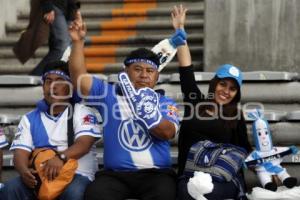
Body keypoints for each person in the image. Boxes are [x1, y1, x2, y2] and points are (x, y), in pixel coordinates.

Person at [68, 11, 180, 200]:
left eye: (150, 71)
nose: (144, 75)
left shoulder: (164, 102)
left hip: (156, 174)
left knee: (165, 195)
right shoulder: (109, 94)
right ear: (125, 72)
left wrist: (148, 114)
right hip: (115, 175)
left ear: (156, 77)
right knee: (95, 195)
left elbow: (168, 133)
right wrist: (78, 42)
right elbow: (79, 80)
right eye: (137, 69)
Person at [172, 5, 252, 200]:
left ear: (237, 93)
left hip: (222, 179)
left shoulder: (236, 115)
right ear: (214, 84)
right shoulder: (195, 102)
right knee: (188, 190)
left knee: (205, 193)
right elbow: (186, 70)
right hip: (190, 176)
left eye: (232, 88)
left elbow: (244, 151)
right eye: (222, 84)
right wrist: (179, 31)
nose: (226, 91)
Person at [0, 61, 101, 200]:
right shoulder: (29, 118)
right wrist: (24, 172)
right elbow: (20, 153)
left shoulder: (83, 112)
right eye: (48, 81)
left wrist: (60, 158)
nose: (53, 86)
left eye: (59, 81)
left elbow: (84, 144)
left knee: (73, 194)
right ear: (43, 87)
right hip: (41, 177)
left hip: (77, 175)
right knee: (10, 190)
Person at [13, 0, 79, 76]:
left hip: (69, 9)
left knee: (66, 47)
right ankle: (36, 75)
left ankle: (51, 77)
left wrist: (76, 10)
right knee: (62, 47)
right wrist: (48, 8)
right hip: (55, 6)